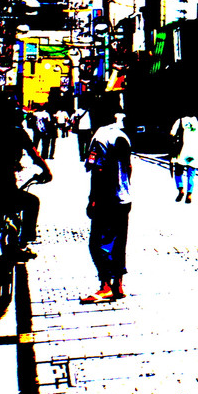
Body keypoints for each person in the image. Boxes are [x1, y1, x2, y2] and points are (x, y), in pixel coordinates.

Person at [0, 99, 52, 259]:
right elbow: (35, 155)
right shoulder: (17, 133)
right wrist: (46, 171)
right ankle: (24, 241)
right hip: (5, 189)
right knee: (32, 203)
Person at [82, 95, 133, 303]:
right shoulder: (122, 136)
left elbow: (98, 170)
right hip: (124, 197)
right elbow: (128, 167)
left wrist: (93, 198)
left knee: (97, 243)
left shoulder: (100, 137)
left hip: (106, 198)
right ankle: (118, 285)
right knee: (119, 242)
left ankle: (105, 286)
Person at [169, 110, 198, 203]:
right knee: (191, 175)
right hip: (194, 154)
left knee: (178, 173)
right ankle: (189, 194)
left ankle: (181, 189)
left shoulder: (180, 121)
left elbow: (172, 134)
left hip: (182, 153)